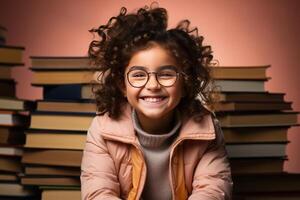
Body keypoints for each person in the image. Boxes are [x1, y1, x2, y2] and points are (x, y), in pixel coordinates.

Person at [81, 3, 233, 200]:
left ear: (184, 81)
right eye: (138, 75)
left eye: (166, 74)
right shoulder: (102, 129)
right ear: (121, 85)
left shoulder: (207, 129)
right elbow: (98, 194)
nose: (153, 85)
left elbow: (213, 191)